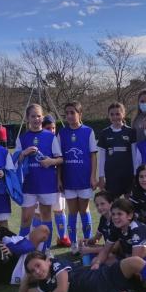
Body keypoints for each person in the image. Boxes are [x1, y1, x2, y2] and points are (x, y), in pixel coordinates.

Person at [15, 104, 63, 248]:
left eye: (38, 116)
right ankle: (21, 250)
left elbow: (60, 159)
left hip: (47, 183)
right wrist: (24, 153)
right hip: (28, 184)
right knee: (26, 218)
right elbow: (15, 161)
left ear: (42, 117)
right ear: (27, 118)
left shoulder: (51, 137)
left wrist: (50, 161)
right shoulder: (22, 138)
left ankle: (46, 249)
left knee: (46, 216)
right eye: (32, 116)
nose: (36, 119)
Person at [58, 101, 97, 247]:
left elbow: (93, 156)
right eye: (67, 113)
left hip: (84, 179)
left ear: (80, 114)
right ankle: (74, 243)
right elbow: (59, 159)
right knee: (72, 212)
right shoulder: (61, 133)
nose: (69, 115)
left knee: (84, 210)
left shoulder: (88, 131)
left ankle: (87, 242)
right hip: (68, 180)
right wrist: (59, 179)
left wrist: (93, 176)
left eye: (72, 112)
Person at [91, 198, 146, 269]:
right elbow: (105, 250)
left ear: (129, 215)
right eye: (113, 214)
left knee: (131, 271)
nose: (115, 217)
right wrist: (97, 263)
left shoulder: (137, 229)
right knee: (95, 261)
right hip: (130, 259)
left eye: (119, 214)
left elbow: (135, 259)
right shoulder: (116, 228)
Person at [97, 102, 136, 199]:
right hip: (111, 176)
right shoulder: (104, 133)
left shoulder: (131, 132)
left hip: (128, 175)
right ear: (108, 116)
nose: (115, 117)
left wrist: (136, 175)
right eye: (112, 114)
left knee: (129, 205)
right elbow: (101, 158)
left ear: (123, 114)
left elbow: (135, 156)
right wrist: (101, 177)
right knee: (113, 206)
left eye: (118, 114)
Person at [41, 115, 69, 247]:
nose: (51, 130)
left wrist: (59, 180)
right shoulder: (38, 141)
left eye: (53, 128)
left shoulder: (57, 141)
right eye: (48, 128)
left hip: (56, 181)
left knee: (59, 209)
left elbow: (60, 163)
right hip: (41, 184)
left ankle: (62, 238)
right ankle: (42, 242)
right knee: (40, 213)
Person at [73, 191, 118, 263]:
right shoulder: (103, 218)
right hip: (108, 250)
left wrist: (90, 250)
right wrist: (86, 241)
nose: (99, 207)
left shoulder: (117, 220)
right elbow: (96, 239)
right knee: (86, 249)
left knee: (95, 260)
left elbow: (115, 248)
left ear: (111, 204)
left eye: (102, 204)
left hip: (118, 254)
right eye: (97, 205)